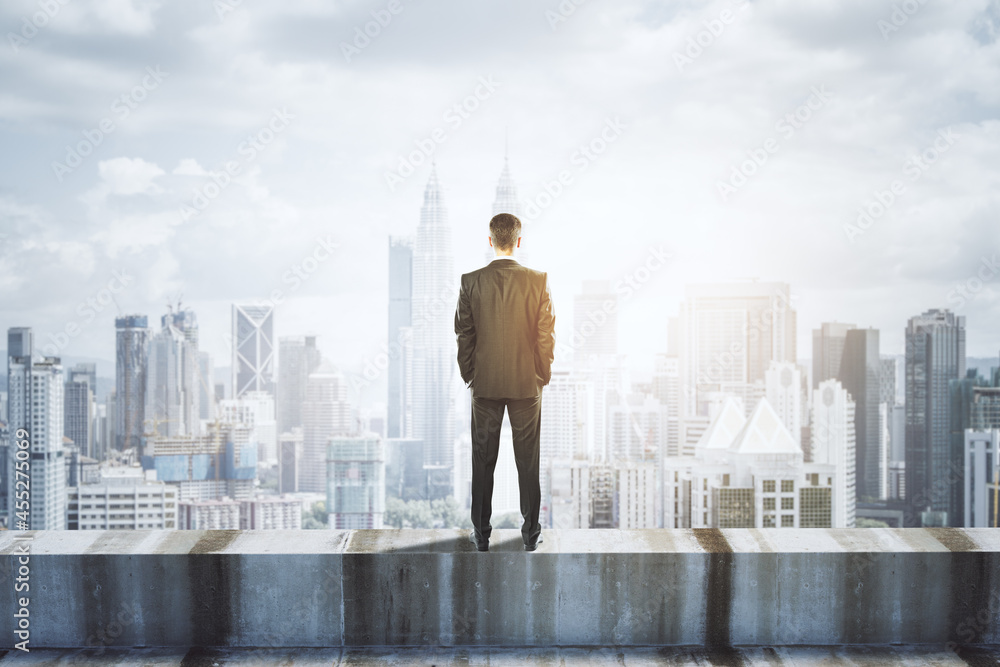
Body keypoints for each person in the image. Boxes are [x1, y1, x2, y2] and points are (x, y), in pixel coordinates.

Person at [454, 213, 556, 552]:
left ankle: (481, 535)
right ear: (519, 241)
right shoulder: (538, 281)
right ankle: (530, 535)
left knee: (482, 460)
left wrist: (471, 374)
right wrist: (542, 374)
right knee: (528, 461)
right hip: (527, 383)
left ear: (490, 241)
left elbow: (464, 334)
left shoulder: (471, 281)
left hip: (485, 384)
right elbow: (546, 334)